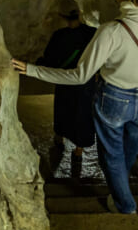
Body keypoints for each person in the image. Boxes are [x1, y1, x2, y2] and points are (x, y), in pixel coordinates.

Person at [11, 0, 138, 214]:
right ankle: (120, 188)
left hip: (114, 100)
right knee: (128, 152)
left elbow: (80, 76)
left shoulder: (110, 31)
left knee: (111, 156)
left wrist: (32, 70)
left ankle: (125, 204)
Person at [35, 9, 96, 159]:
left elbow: (50, 56)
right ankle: (78, 148)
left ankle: (61, 138)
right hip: (85, 81)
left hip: (65, 79)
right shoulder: (91, 33)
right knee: (81, 112)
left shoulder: (60, 35)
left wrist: (43, 65)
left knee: (65, 108)